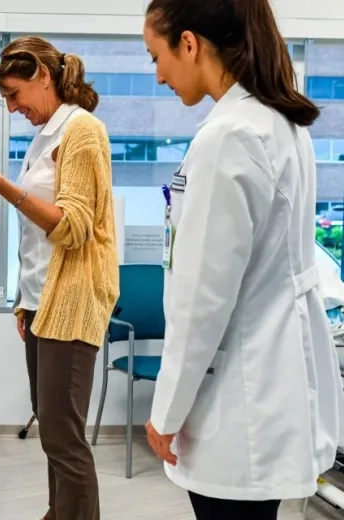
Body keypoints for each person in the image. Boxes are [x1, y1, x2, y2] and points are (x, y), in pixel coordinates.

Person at [141, 0, 344, 518]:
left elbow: (202, 299)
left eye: (155, 56)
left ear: (189, 43)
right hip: (275, 379)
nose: (159, 75)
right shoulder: (280, 123)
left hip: (240, 400)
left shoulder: (229, 136)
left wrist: (165, 411)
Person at [0, 36, 120, 520]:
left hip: (73, 301)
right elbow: (37, 240)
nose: (12, 106)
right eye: (5, 99)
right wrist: (27, 303)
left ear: (44, 76)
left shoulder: (82, 131)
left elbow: (73, 228)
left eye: (15, 94)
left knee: (65, 438)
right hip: (43, 303)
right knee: (52, 430)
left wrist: (0, 185)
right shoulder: (46, 137)